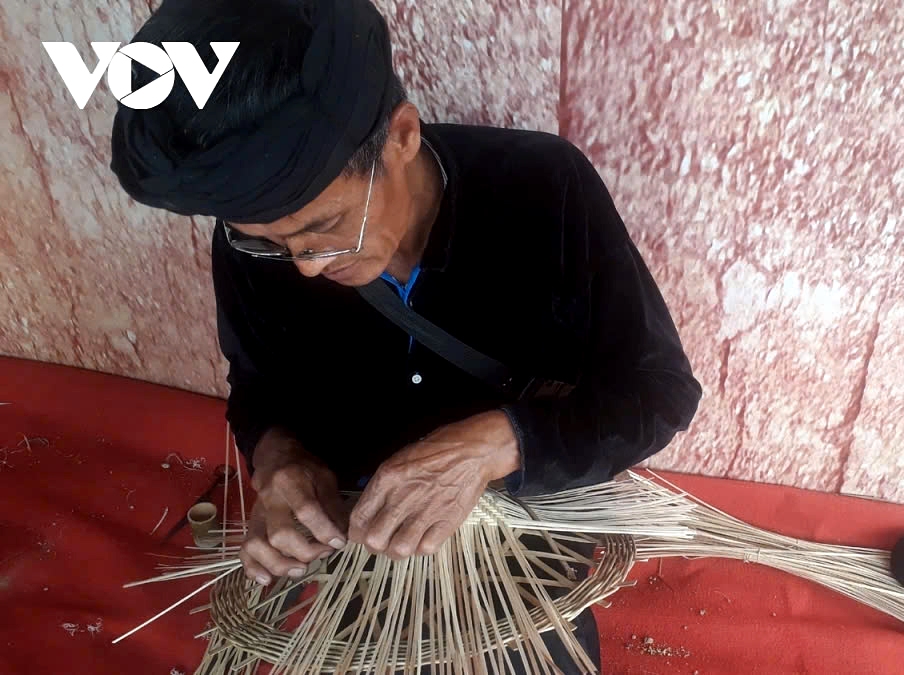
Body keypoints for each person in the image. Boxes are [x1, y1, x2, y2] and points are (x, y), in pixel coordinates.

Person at [109, 0, 702, 670]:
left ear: (402, 136)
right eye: (273, 243)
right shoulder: (252, 243)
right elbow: (257, 386)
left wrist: (493, 445)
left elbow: (658, 392)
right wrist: (280, 460)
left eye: (325, 228)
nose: (305, 265)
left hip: (520, 540)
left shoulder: (544, 190)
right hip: (362, 544)